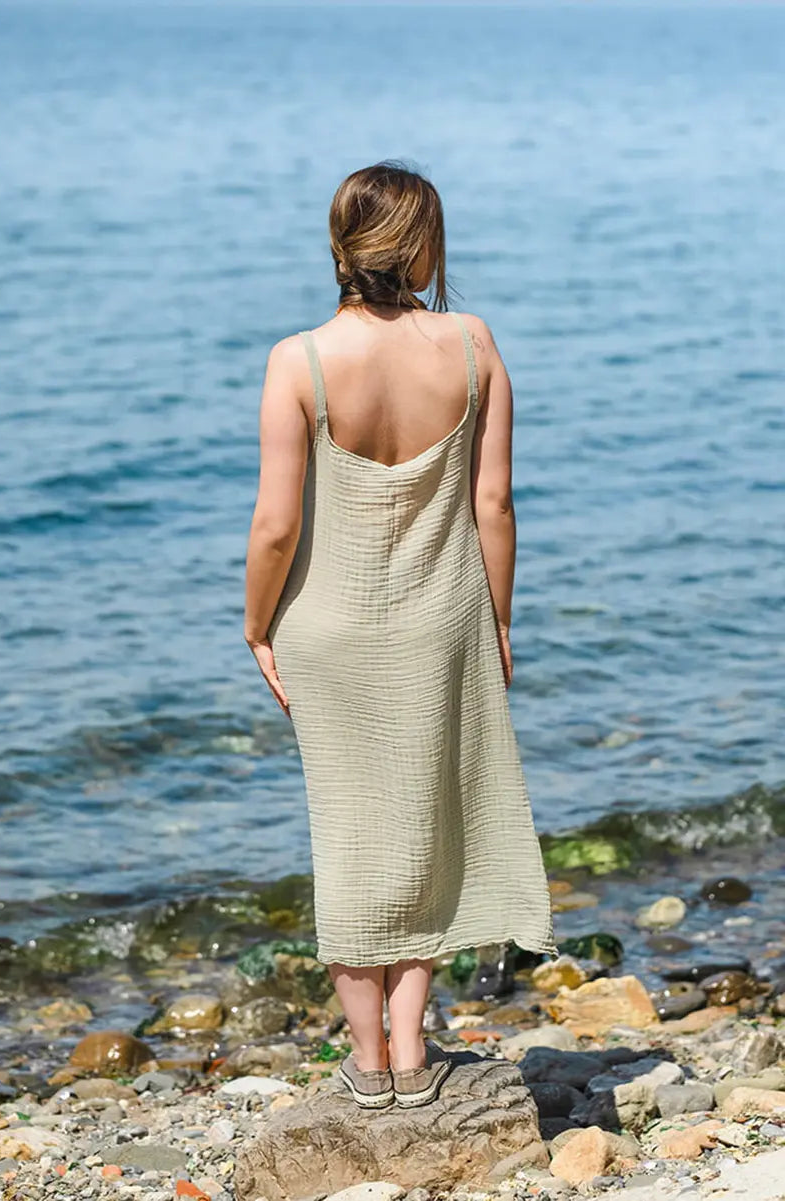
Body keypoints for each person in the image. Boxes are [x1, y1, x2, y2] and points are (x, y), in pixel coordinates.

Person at [244, 160, 558, 1111]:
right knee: (426, 825)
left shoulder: (298, 360)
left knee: (347, 835)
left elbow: (274, 527)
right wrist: (499, 620)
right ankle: (414, 1053)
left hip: (329, 630)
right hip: (443, 618)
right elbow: (493, 503)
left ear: (340, 244)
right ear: (423, 245)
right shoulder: (470, 344)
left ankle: (367, 1065)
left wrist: (256, 626)